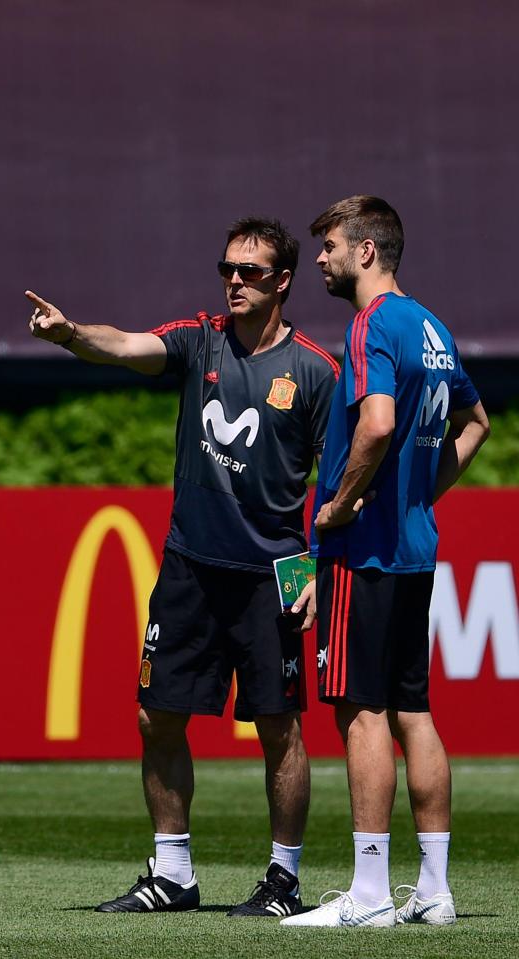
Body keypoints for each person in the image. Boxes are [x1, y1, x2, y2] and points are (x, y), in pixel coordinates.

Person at [25, 217, 339, 916]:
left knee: (280, 726)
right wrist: (73, 333)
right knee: (155, 715)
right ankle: (173, 873)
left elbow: (347, 478)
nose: (233, 279)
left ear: (282, 281)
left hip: (276, 573)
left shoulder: (317, 371)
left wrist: (318, 563)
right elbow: (127, 346)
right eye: (227, 267)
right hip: (189, 566)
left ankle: (284, 880)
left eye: (250, 271)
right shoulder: (201, 341)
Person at [281, 196, 490, 930]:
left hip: (363, 553)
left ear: (366, 251)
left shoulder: (372, 323)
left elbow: (376, 423)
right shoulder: (431, 326)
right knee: (414, 709)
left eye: (331, 246)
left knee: (360, 710)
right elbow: (478, 421)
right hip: (414, 548)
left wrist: (338, 502)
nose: (322, 259)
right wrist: (420, 492)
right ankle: (433, 890)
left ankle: (369, 894)